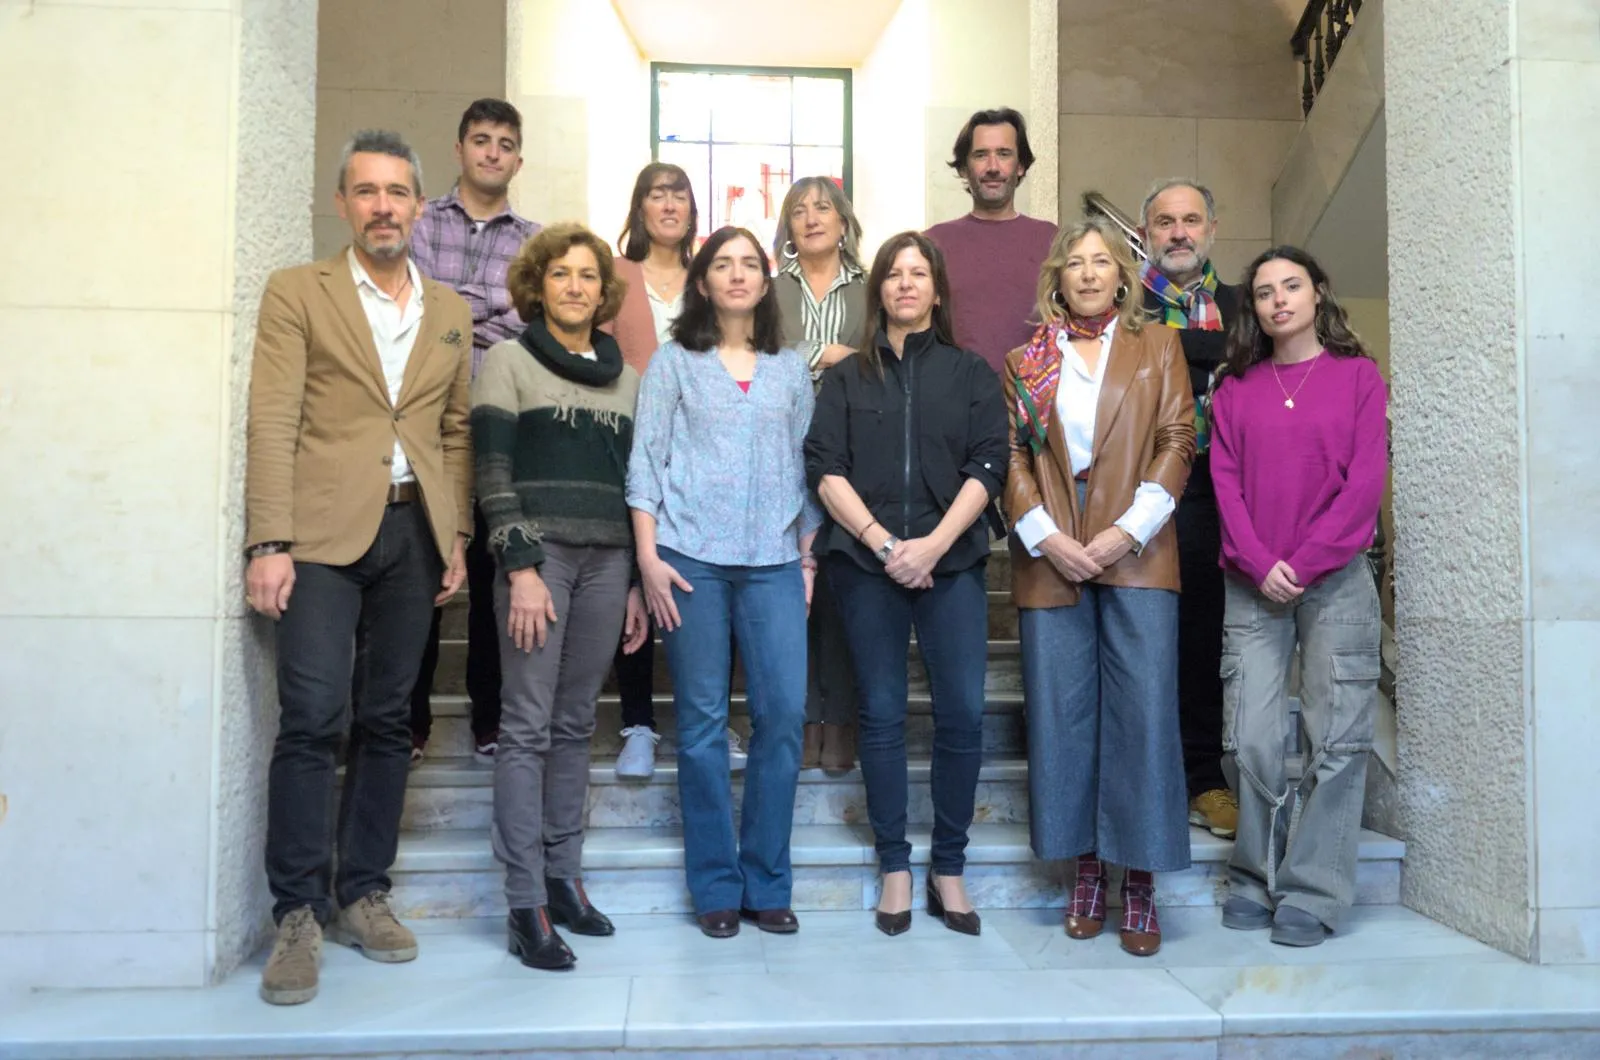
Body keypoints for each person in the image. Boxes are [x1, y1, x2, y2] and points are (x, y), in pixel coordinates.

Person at [244, 130, 473, 1004]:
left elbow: (450, 432)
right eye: (367, 191)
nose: (384, 206)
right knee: (311, 715)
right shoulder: (297, 291)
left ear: (421, 206)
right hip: (321, 538)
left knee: (386, 720)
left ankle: (363, 891)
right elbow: (273, 420)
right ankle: (297, 912)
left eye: (398, 192)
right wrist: (268, 542)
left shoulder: (448, 310)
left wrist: (453, 538)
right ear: (342, 203)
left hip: (415, 537)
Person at [805, 231, 1008, 937]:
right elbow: (825, 468)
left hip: (950, 564)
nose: (905, 284)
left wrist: (933, 545)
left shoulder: (972, 373)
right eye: (893, 274)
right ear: (879, 289)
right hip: (867, 565)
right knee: (883, 714)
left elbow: (989, 468)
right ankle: (895, 864)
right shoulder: (846, 377)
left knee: (962, 714)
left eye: (918, 273)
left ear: (937, 288)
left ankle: (947, 866)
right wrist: (886, 544)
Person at [1003, 217, 1195, 957]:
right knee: (1062, 717)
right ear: (1057, 278)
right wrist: (1047, 536)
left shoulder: (1159, 347)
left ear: (1122, 276)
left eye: (1101, 262)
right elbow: (1013, 457)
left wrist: (1126, 532)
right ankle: (1087, 870)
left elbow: (1178, 440)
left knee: (1143, 717)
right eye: (1074, 264)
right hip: (1051, 556)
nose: (1087, 274)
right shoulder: (1027, 360)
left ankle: (1139, 880)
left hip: (1138, 551)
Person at [626, 226, 821, 939]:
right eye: (723, 265)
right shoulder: (674, 364)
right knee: (704, 726)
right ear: (702, 282)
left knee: (782, 716)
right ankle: (714, 884)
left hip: (772, 561)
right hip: (689, 560)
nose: (737, 275)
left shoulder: (791, 370)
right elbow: (646, 464)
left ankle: (766, 880)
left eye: (750, 265)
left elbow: (808, 470)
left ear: (766, 283)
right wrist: (648, 559)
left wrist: (807, 558)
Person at [472, 223, 651, 970]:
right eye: (561, 274)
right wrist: (518, 567)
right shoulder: (507, 362)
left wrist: (639, 580)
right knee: (527, 727)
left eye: (588, 276)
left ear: (604, 292)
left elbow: (637, 485)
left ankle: (562, 876)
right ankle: (524, 903)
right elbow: (490, 473)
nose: (576, 286)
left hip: (609, 562)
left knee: (578, 725)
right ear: (537, 285)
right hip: (538, 564)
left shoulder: (627, 379)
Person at [1208, 246, 1387, 948]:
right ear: (1252, 308)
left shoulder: (1359, 378)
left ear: (1318, 294)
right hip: (1252, 584)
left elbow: (1364, 485)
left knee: (1336, 739)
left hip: (1337, 581)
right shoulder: (1235, 388)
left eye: (1291, 286)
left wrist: (1306, 562)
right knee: (1249, 736)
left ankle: (1313, 889)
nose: (1278, 299)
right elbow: (1224, 485)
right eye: (1263, 292)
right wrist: (1260, 561)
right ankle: (1254, 875)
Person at [404, 99, 539, 765]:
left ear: (518, 158)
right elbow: (420, 307)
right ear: (459, 149)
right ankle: (409, 720)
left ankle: (490, 718)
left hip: (501, 430)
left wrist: (456, 307)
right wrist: (489, 309)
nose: (492, 152)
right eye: (481, 140)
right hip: (423, 428)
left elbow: (531, 326)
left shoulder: (536, 242)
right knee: (422, 573)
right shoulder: (420, 221)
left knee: (492, 576)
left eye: (505, 143)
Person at [607, 163, 749, 779]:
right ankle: (637, 721)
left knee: (711, 582)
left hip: (703, 450)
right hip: (626, 440)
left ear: (694, 209)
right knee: (633, 578)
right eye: (656, 194)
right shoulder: (614, 275)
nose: (668, 205)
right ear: (639, 206)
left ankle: (716, 719)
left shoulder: (710, 274)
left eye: (679, 195)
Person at [1138, 178, 1247, 840]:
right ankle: (1145, 775)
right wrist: (1212, 360)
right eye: (1164, 221)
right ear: (1146, 234)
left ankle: (1205, 779)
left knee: (1203, 638)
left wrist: (1180, 355)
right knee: (1140, 639)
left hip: (1214, 494)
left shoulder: (1245, 305)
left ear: (1211, 229)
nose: (1178, 232)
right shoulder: (1123, 311)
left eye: (1190, 220)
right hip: (1135, 495)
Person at [773, 176, 869, 772]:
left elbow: (883, 353)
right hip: (776, 447)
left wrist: (808, 351)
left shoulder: (870, 287)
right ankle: (802, 717)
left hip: (854, 452)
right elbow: (760, 348)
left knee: (842, 589)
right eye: (799, 210)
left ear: (843, 221)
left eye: (823, 208)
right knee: (787, 591)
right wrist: (829, 354)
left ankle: (842, 719)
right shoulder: (766, 286)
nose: (811, 218)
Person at [925, 108, 1057, 375]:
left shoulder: (1052, 240)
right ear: (964, 168)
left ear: (1020, 166)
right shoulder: (933, 243)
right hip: (955, 401)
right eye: (981, 155)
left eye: (1004, 154)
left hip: (1036, 401)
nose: (993, 167)